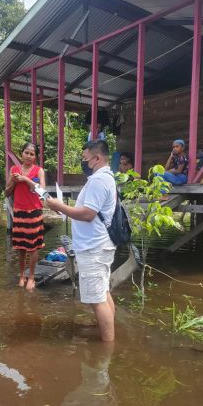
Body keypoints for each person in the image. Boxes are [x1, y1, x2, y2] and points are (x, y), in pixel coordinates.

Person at [46, 140, 117, 342]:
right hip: (99, 245)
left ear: (97, 158)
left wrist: (59, 206)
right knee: (102, 292)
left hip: (93, 247)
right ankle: (103, 330)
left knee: (97, 299)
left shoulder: (98, 180)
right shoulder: (106, 178)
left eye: (85, 159)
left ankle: (107, 347)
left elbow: (88, 214)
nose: (83, 163)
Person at [5, 142, 45, 291]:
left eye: (32, 154)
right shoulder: (14, 170)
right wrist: (13, 182)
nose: (28, 156)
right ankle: (22, 276)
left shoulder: (39, 170)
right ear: (21, 154)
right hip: (19, 211)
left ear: (36, 157)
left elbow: (42, 191)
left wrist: (26, 180)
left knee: (34, 247)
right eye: (26, 153)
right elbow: (7, 192)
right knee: (21, 246)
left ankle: (32, 277)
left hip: (34, 211)